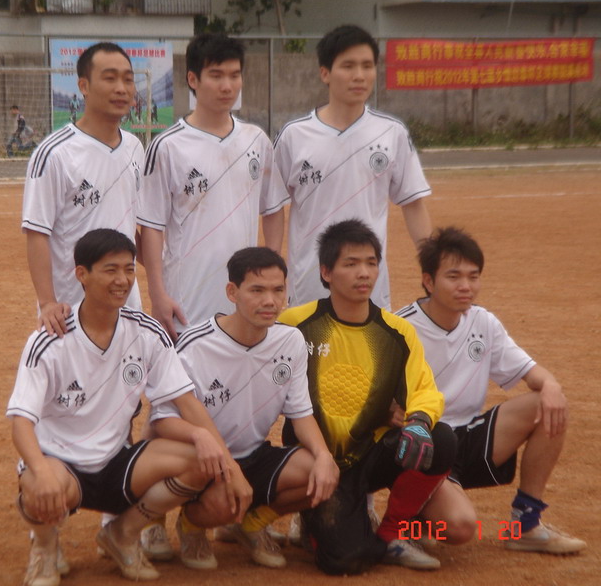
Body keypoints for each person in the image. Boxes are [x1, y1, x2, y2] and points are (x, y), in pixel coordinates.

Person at [7, 228, 250, 585]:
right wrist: (41, 469)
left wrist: (227, 461)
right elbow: (21, 420)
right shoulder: (50, 339)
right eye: (110, 270)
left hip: (117, 464)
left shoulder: (147, 332)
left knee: (202, 459)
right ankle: (44, 547)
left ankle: (122, 534)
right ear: (81, 274)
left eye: (129, 269)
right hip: (61, 466)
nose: (122, 280)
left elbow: (186, 401)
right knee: (36, 482)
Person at [278, 219, 456, 574]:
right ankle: (317, 517)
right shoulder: (295, 324)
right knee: (343, 561)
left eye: (371, 263)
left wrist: (419, 420)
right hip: (318, 457)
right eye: (351, 263)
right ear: (326, 272)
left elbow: (423, 389)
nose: (364, 273)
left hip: (371, 450)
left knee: (441, 438)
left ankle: (391, 534)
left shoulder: (396, 332)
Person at [396, 226, 586, 554]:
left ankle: (525, 524)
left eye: (473, 277)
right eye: (454, 276)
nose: (466, 286)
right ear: (428, 281)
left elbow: (533, 373)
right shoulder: (400, 328)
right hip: (428, 444)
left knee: (548, 403)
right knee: (459, 528)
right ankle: (411, 520)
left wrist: (552, 385)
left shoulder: (483, 322)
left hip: (469, 436)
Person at [149, 247, 339, 570]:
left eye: (278, 290)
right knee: (223, 502)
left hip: (253, 453)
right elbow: (161, 420)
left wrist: (323, 456)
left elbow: (301, 414)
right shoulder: (195, 345)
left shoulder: (290, 342)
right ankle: (192, 525)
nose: (270, 301)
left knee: (321, 473)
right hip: (204, 462)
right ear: (232, 292)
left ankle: (250, 524)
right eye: (257, 290)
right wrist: (211, 450)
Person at [137, 33, 288, 341]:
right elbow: (151, 227)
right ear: (193, 79)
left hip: (243, 301)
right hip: (186, 302)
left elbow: (273, 209)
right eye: (216, 76)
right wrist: (157, 292)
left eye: (235, 75)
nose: (227, 86)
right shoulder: (167, 146)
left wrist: (269, 274)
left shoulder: (256, 140)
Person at [273, 25, 432, 310]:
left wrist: (433, 264)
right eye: (348, 66)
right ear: (325, 73)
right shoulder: (294, 135)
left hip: (370, 289)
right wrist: (271, 270)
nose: (359, 75)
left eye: (367, 66)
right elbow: (272, 207)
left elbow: (413, 204)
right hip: (309, 289)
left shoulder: (392, 133)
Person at [22, 42, 144, 338]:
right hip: (70, 311)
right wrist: (47, 303)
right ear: (84, 86)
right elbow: (37, 232)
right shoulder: (55, 153)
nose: (121, 88)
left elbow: (133, 226)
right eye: (110, 78)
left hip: (126, 304)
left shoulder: (135, 147)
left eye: (128, 79)